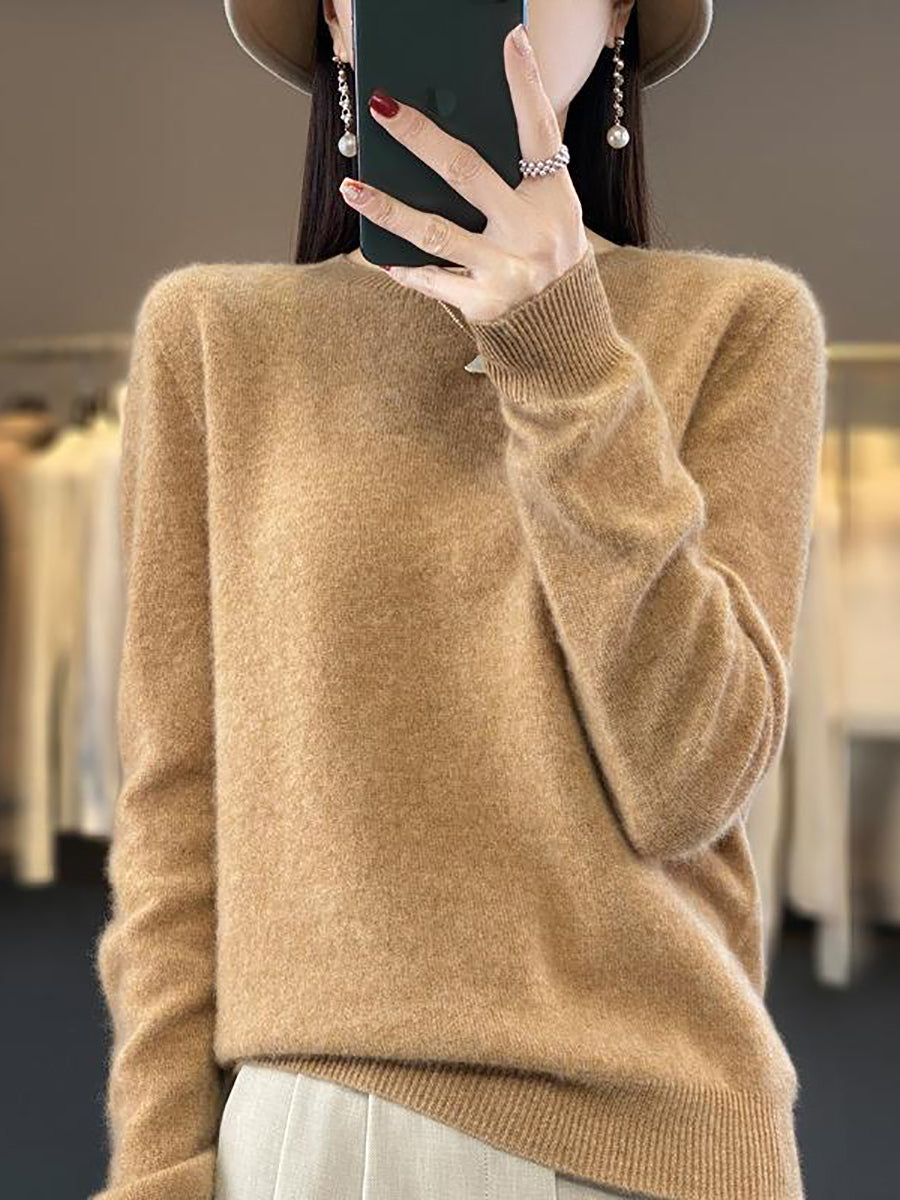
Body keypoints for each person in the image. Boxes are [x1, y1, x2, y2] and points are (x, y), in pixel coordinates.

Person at [91, 1, 828, 1198]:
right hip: (320, 1134)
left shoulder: (739, 324)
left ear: (621, 14)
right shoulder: (216, 339)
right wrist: (157, 1167)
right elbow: (177, 809)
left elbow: (689, 782)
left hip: (658, 1140)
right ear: (339, 22)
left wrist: (562, 348)